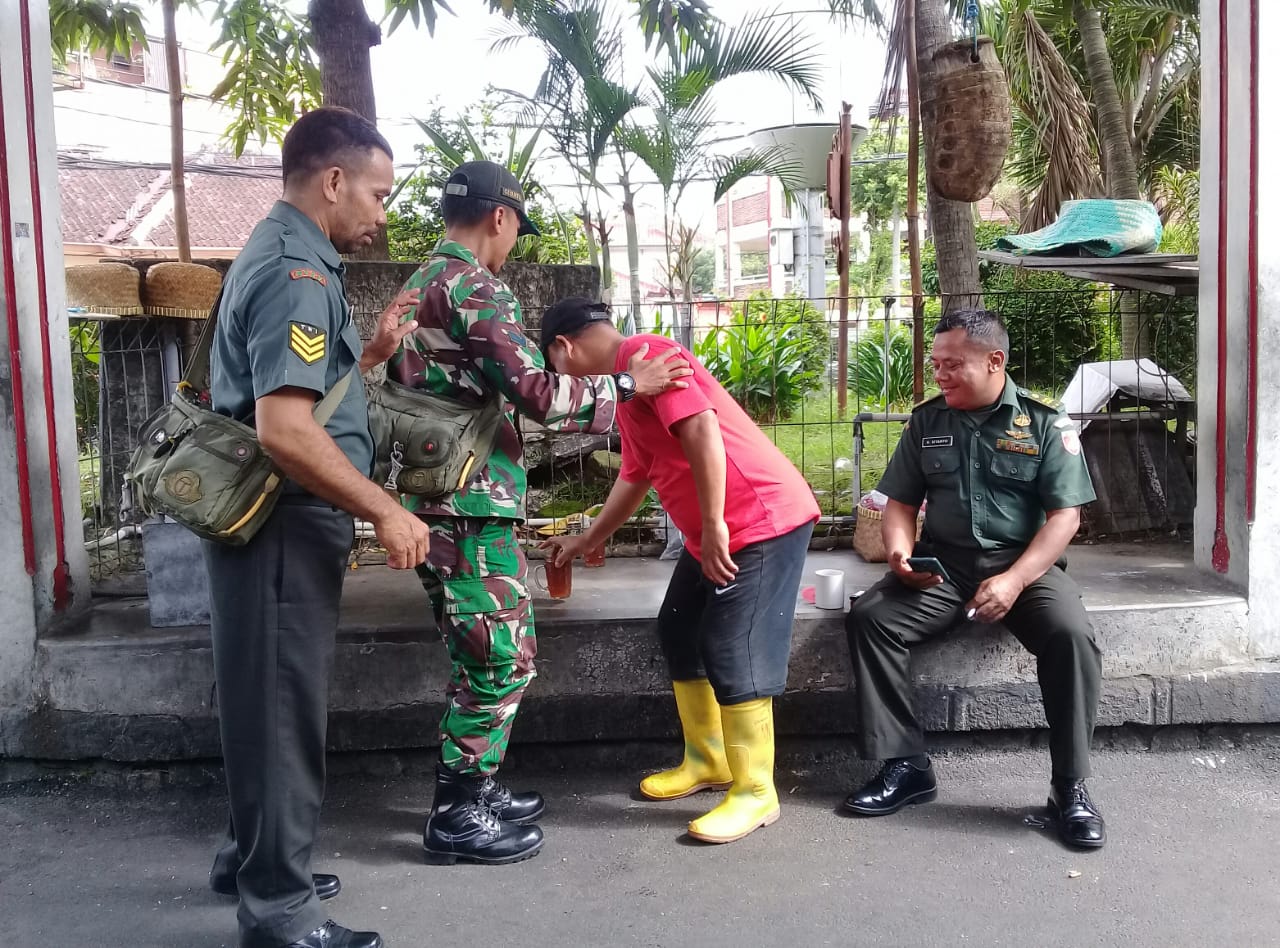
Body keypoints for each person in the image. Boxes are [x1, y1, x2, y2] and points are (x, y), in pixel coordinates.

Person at [387, 162, 692, 866]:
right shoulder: (471, 285)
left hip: (444, 495)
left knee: (482, 651)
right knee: (501, 659)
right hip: (464, 503)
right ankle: (458, 810)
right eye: (517, 228)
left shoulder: (422, 281)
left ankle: (477, 786)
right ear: (500, 217)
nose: (514, 242)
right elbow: (536, 392)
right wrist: (627, 384)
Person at [202, 107, 432, 948]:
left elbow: (302, 391)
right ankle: (279, 911)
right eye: (377, 193)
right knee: (280, 709)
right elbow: (285, 429)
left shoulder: (286, 253)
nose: (381, 212)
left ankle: (256, 858)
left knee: (262, 701)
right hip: (281, 523)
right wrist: (384, 506)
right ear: (332, 181)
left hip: (278, 522)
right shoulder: (297, 270)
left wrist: (366, 358)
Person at [538, 298, 820, 844]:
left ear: (563, 348)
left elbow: (701, 431)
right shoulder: (630, 389)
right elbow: (636, 475)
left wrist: (714, 523)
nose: (562, 379)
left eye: (555, 368)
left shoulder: (650, 353)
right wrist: (586, 540)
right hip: (714, 529)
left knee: (731, 643)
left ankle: (756, 791)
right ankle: (710, 760)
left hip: (759, 520)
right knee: (679, 629)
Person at [843, 308, 1106, 850]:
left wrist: (1012, 581)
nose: (939, 374)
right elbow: (900, 503)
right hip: (946, 568)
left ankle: (1069, 787)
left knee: (1072, 635)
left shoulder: (1044, 424)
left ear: (994, 361)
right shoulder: (928, 421)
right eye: (935, 363)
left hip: (1027, 569)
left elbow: (1066, 519)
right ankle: (906, 767)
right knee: (872, 617)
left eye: (953, 365)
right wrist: (899, 554)